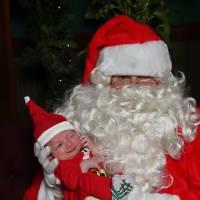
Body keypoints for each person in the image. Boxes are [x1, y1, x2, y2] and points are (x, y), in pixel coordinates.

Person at [26, 15, 200, 200]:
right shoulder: (75, 130)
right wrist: (53, 188)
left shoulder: (191, 126)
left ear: (162, 83)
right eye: (122, 76)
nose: (132, 85)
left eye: (144, 77)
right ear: (104, 82)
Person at [23, 96, 134, 200]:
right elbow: (71, 182)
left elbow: (101, 161)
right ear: (50, 154)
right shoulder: (61, 164)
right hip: (81, 196)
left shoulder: (85, 151)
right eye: (59, 145)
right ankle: (116, 194)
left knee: (115, 167)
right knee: (86, 180)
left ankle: (125, 187)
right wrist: (85, 164)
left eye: (71, 136)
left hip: (102, 189)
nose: (69, 144)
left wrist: (93, 148)